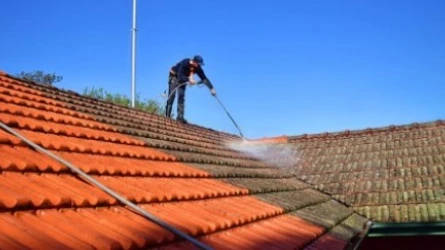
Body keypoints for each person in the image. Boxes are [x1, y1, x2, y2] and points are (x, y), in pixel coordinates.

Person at [165, 55, 217, 124]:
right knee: (172, 95)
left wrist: (211, 88)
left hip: (183, 80)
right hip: (175, 77)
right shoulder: (185, 63)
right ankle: (167, 116)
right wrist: (189, 80)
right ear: (194, 62)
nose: (199, 66)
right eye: (198, 64)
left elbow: (204, 78)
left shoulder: (197, 68)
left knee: (181, 97)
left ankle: (180, 118)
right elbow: (180, 76)